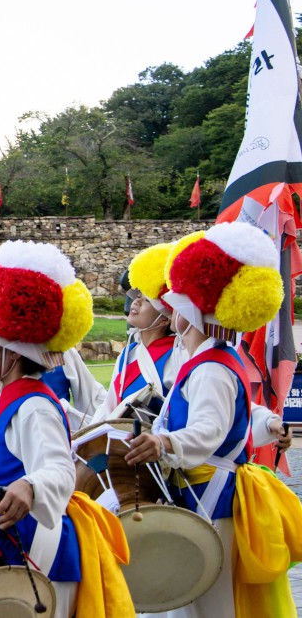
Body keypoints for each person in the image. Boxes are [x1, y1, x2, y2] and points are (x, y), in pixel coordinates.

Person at [125, 223, 302, 617]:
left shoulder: (210, 367)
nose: (170, 311)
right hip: (204, 494)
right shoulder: (208, 360)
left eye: (177, 304)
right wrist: (268, 424)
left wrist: (165, 443)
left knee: (210, 604)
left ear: (190, 313)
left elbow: (210, 429)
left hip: (210, 497)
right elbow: (234, 416)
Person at [0, 240, 132, 618]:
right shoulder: (11, 396)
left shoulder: (33, 406)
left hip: (39, 558)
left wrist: (31, 486)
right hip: (15, 553)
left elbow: (60, 469)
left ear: (11, 352)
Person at [92, 242, 183, 422]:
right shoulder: (128, 353)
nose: (136, 302)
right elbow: (109, 406)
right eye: (138, 297)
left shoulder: (177, 355)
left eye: (147, 301)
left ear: (165, 318)